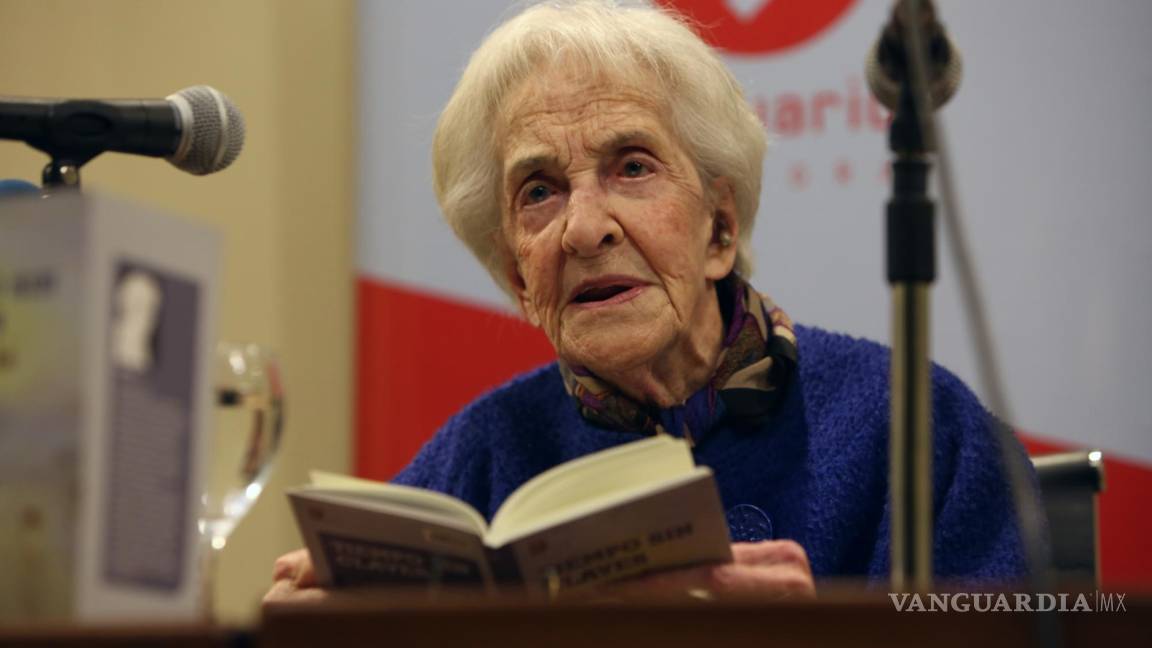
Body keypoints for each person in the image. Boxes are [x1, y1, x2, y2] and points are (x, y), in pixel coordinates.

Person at [266, 0, 1029, 603]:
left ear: (719, 229)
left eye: (631, 167)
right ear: (519, 277)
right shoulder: (480, 457)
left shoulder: (911, 426)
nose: (584, 228)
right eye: (539, 191)